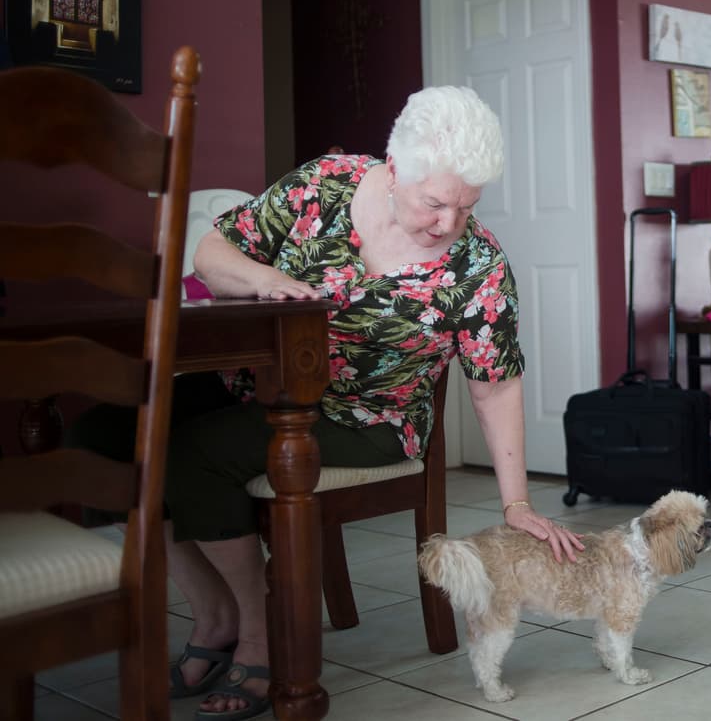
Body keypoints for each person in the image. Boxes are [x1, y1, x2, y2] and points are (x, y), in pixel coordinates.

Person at [70, 86, 583, 720]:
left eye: (467, 205)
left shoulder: (479, 265)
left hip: (367, 418)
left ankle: (258, 638)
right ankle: (216, 611)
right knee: (106, 434)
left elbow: (495, 382)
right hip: (252, 384)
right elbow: (211, 249)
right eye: (435, 202)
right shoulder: (324, 185)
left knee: (193, 454)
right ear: (394, 171)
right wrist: (269, 283)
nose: (450, 223)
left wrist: (517, 502)